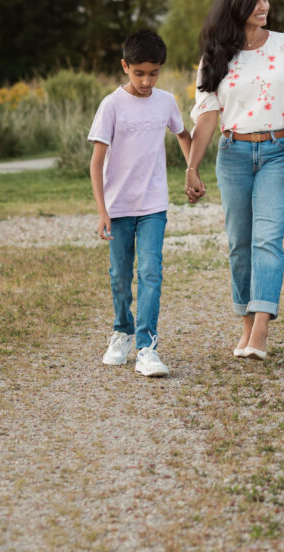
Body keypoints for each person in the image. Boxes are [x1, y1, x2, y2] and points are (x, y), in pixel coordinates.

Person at [185, 0, 284, 361]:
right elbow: (207, 115)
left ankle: (260, 331)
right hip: (234, 155)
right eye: (257, 0)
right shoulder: (215, 54)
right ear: (236, 4)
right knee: (240, 244)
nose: (265, 6)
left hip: (280, 151)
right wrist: (192, 167)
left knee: (267, 240)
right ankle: (245, 327)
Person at [89, 29, 191, 377]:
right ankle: (122, 331)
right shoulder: (111, 105)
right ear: (125, 67)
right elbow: (96, 162)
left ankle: (147, 346)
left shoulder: (165, 101)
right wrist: (102, 211)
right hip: (118, 209)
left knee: (150, 272)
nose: (147, 81)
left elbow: (182, 134)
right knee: (120, 275)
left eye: (154, 73)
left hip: (153, 206)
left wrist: (191, 172)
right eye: (139, 73)